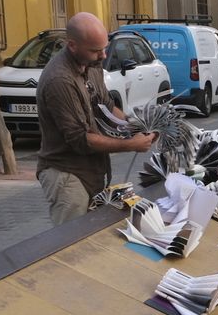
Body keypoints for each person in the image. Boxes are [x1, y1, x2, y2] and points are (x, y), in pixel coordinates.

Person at [36, 12, 156, 225]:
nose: (102, 55)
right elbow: (80, 139)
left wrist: (135, 126)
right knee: (70, 245)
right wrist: (130, 144)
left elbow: (106, 106)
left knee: (92, 236)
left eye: (105, 48)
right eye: (95, 50)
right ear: (72, 45)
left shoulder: (92, 65)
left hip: (93, 170)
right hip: (67, 175)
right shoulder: (60, 80)